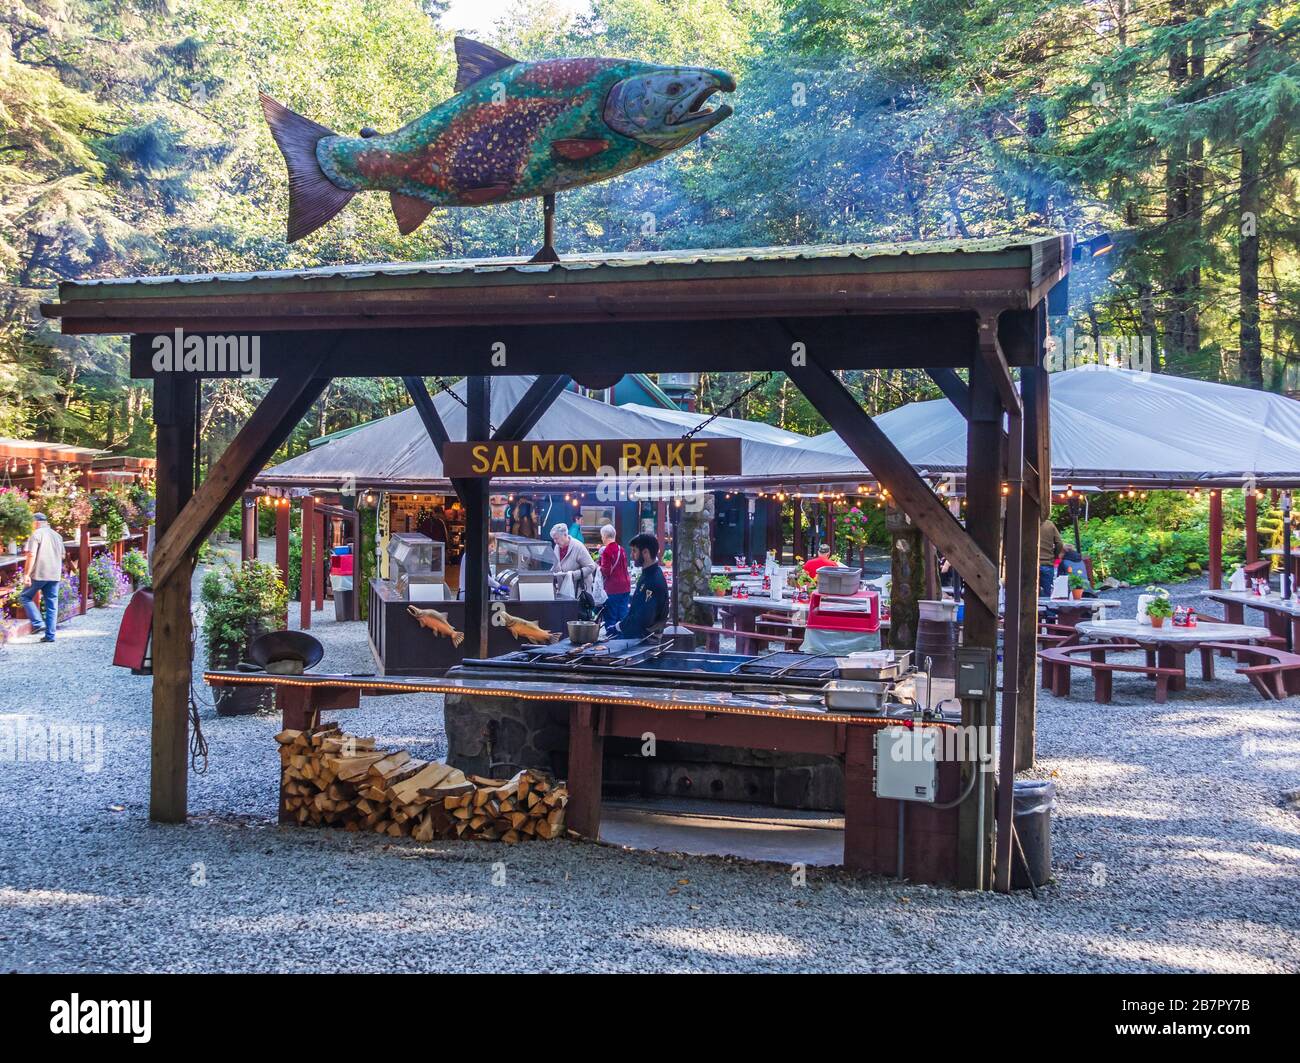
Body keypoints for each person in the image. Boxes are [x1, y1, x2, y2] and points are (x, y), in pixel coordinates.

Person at [613, 533, 668, 640]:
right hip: (640, 637)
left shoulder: (654, 579)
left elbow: (643, 618)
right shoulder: (649, 573)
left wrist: (619, 627)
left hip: (646, 641)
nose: (631, 555)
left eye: (634, 551)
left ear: (645, 553)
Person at [21, 512, 64, 643]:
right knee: (52, 605)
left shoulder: (36, 534)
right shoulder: (57, 536)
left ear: (37, 522)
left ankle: (38, 623)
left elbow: (31, 555)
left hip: (39, 574)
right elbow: (62, 555)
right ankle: (50, 636)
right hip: (54, 574)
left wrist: (27, 574)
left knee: (25, 596)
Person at [597, 524, 631, 630]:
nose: (602, 538)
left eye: (602, 536)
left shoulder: (606, 551)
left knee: (611, 617)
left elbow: (606, 572)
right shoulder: (622, 549)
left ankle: (612, 640)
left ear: (605, 536)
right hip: (625, 587)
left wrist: (598, 567)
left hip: (613, 588)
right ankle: (623, 639)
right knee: (622, 616)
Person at [549, 522, 596, 593]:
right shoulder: (557, 547)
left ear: (565, 535)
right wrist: (549, 575)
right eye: (553, 539)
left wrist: (572, 575)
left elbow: (591, 566)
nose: (555, 541)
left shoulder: (578, 547)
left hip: (578, 591)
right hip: (564, 590)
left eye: (556, 538)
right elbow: (556, 564)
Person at [1039, 517, 1065, 595]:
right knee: (1048, 594)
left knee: (1028, 593)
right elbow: (1059, 543)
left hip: (1030, 564)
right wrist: (1055, 556)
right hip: (1047, 563)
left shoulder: (1026, 524)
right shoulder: (1049, 524)